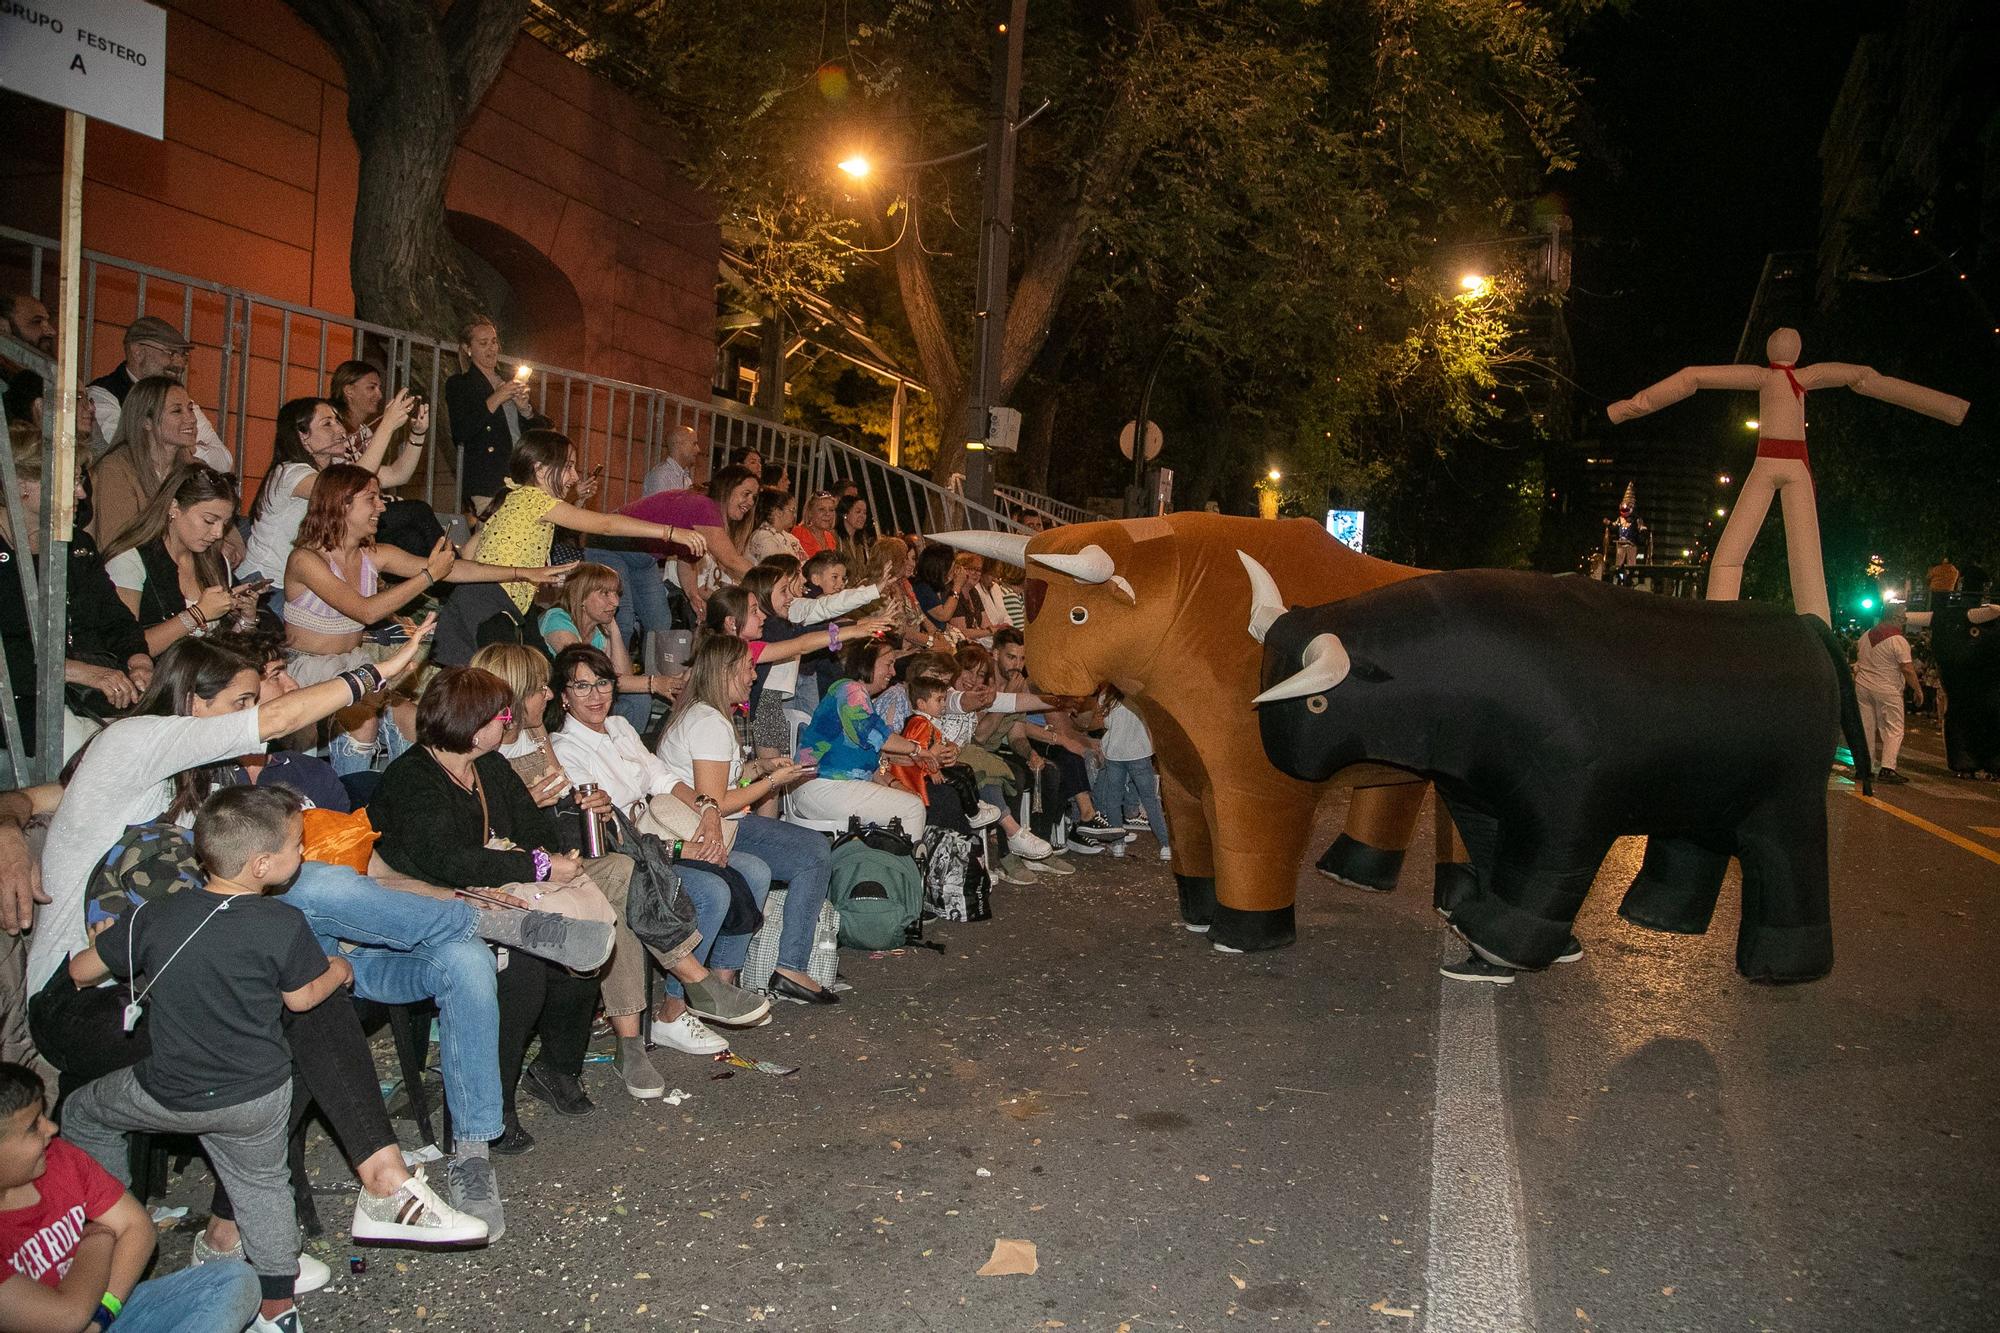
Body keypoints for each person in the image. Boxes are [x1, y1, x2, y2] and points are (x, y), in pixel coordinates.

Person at [371, 668, 765, 1144]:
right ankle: (504, 1099)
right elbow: (444, 860)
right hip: (440, 898)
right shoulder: (412, 778)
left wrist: (551, 850)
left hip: (510, 883)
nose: (510, 719)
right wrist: (537, 864)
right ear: (474, 727)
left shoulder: (487, 767)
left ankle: (571, 1061)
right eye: (502, 714)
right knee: (540, 968)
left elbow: (533, 830)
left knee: (603, 907)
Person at [62, 785, 346, 1329]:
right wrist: (340, 970)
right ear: (263, 865)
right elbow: (302, 998)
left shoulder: (159, 914)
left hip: (171, 1090)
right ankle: (278, 1306)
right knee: (264, 1186)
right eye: (297, 845)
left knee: (81, 1111)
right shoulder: (281, 923)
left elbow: (79, 972)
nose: (303, 854)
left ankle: (114, 1227)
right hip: (257, 1094)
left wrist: (110, 940)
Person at [284, 464, 567, 774]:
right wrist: (431, 574)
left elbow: (457, 570)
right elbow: (365, 610)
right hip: (306, 667)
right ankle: (350, 805)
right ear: (341, 503)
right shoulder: (305, 559)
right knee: (363, 721)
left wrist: (521, 572)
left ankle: (401, 795)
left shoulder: (374, 554)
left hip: (355, 666)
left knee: (414, 719)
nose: (382, 506)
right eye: (372, 499)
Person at [0, 1060, 263, 1333]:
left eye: (43, 1115)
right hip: (72, 1312)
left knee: (233, 1279)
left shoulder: (57, 1158)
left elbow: (138, 1228)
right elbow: (66, 1318)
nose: (51, 1128)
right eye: (33, 1126)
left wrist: (102, 1314)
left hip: (103, 1308)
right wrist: (97, 1238)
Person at [652, 636, 837, 1005]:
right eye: (748, 667)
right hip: (702, 830)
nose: (754, 675)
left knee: (799, 853)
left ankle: (732, 976)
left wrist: (759, 767)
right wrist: (772, 781)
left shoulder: (708, 714)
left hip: (715, 826)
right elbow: (716, 803)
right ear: (724, 671)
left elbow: (718, 784)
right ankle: (784, 966)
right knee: (813, 852)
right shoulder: (709, 722)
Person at [449, 430, 704, 660]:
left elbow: (470, 552)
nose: (575, 476)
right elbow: (606, 525)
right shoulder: (535, 500)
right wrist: (670, 532)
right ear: (539, 470)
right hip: (489, 608)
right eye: (569, 466)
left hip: (481, 603)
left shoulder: (513, 499)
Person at [1, 425, 152, 762]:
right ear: (22, 485)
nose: (82, 493)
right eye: (69, 481)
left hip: (81, 691)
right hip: (21, 702)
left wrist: (138, 660)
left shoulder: (76, 545)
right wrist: (79, 672)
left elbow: (115, 617)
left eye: (80, 480)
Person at [101, 462, 260, 656]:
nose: (218, 533)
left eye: (225, 524)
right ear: (174, 507)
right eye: (209, 521)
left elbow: (224, 652)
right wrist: (198, 614)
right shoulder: (130, 561)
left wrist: (246, 618)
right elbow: (125, 647)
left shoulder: (215, 560)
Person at [791, 637, 941, 836]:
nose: (893, 672)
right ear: (867, 662)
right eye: (888, 664)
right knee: (912, 809)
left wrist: (895, 784)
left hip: (825, 786)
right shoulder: (850, 690)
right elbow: (878, 736)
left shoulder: (856, 695)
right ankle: (906, 867)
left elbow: (869, 766)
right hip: (822, 784)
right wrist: (918, 750)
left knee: (912, 801)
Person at [537, 563, 683, 732]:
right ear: (581, 596)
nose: (615, 602)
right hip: (559, 702)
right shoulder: (557, 620)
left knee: (639, 699)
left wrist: (614, 629)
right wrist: (653, 683)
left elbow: (623, 676)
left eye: (616, 594)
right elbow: (588, 676)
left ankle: (623, 749)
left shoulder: (597, 629)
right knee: (638, 693)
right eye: (605, 594)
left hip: (587, 696)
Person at [240, 397, 366, 590]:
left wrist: (417, 435)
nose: (341, 430)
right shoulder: (289, 473)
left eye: (338, 421)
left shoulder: (335, 467)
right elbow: (352, 487)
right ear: (303, 436)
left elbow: (397, 474)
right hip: (266, 583)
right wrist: (388, 424)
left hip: (298, 583)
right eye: (327, 424)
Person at [85, 316, 233, 476]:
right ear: (138, 352)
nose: (179, 364)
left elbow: (225, 461)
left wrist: (187, 449)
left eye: (183, 355)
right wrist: (186, 448)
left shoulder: (181, 400)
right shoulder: (102, 394)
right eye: (170, 353)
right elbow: (124, 452)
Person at [86, 376, 201, 547]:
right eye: (177, 411)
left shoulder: (194, 470)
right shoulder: (115, 469)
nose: (191, 419)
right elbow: (116, 544)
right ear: (146, 422)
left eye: (190, 409)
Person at [443, 317, 543, 510]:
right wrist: (496, 397)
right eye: (483, 343)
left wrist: (525, 409)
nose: (492, 348)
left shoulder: (508, 381)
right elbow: (462, 431)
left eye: (494, 341)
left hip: (521, 476)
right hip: (489, 482)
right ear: (467, 348)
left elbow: (540, 434)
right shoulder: (460, 384)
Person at [1090, 684, 1173, 860]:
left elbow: (1104, 723)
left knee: (1113, 799)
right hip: (1139, 752)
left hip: (1114, 752)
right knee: (1150, 799)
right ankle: (1165, 844)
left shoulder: (1106, 696)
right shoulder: (1140, 692)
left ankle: (1118, 843)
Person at [1855, 604, 1923, 785]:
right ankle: (1888, 768)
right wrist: (1917, 689)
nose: (1905, 621)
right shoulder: (1897, 640)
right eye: (1903, 618)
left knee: (1867, 727)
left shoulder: (1865, 636)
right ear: (1893, 618)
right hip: (1887, 688)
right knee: (1894, 728)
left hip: (1863, 687)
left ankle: (1864, 767)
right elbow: (1907, 669)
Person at [746, 487, 805, 564]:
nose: (794, 515)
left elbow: (806, 565)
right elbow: (777, 571)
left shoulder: (790, 538)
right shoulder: (763, 537)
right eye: (792, 510)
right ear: (778, 512)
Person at [640, 423, 702, 496]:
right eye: (694, 444)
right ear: (679, 444)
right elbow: (659, 507)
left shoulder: (687, 480)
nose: (698, 450)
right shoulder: (661, 476)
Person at [832, 494, 873, 576]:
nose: (862, 516)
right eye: (858, 512)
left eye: (865, 513)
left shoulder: (861, 542)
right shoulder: (834, 537)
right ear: (845, 514)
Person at [791, 489, 839, 559]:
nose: (827, 514)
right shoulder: (798, 534)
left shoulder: (830, 537)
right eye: (821, 509)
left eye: (831, 510)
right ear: (810, 513)